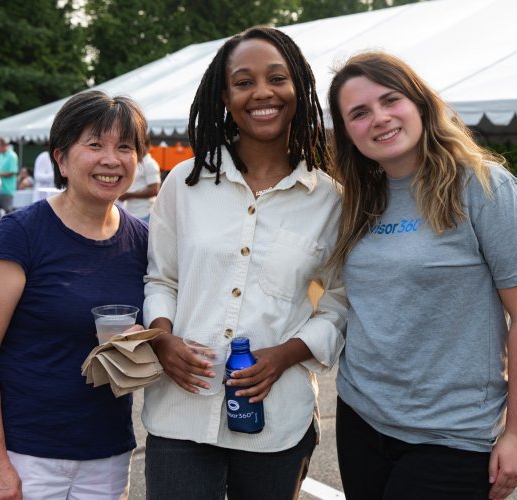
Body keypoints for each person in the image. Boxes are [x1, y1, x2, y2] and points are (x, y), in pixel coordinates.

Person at [326, 52, 517, 500]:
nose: (380, 118)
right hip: (360, 419)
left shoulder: (485, 188)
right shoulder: (357, 199)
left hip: (450, 435)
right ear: (347, 132)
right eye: (359, 113)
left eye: (391, 100)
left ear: (421, 103)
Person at [142, 26, 347, 500]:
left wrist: (285, 355)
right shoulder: (184, 184)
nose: (262, 93)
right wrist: (163, 338)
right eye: (243, 81)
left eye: (277, 78)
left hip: (278, 418)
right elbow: (162, 277)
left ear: (299, 87)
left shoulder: (329, 201)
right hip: (181, 411)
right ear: (224, 96)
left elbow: (333, 301)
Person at [0, 90, 150, 500]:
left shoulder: (144, 241)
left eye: (125, 147)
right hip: (23, 454)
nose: (111, 159)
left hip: (106, 456)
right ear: (61, 158)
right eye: (94, 145)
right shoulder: (22, 234)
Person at [116, 152, 160, 222]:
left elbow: (154, 190)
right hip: (131, 211)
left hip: (144, 213)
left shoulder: (150, 164)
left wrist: (129, 195)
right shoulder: (136, 162)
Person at [0, 138, 19, 214]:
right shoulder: (0, 155)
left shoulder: (12, 156)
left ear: (3, 145)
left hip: (8, 190)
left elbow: (12, 172)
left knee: (8, 212)